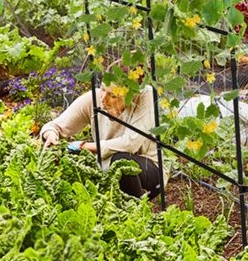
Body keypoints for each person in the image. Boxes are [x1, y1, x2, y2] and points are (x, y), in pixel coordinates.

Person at [39, 66, 167, 199]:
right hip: (104, 170)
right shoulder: (94, 99)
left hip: (147, 171)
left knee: (122, 162)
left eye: (112, 95)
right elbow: (54, 126)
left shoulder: (145, 96)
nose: (103, 99)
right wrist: (51, 135)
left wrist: (83, 146)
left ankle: (133, 212)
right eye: (103, 89)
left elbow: (130, 144)